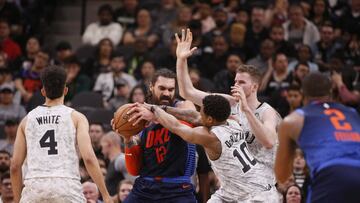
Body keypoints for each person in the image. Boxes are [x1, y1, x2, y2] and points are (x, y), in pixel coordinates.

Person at [175, 29, 281, 201]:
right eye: (235, 81)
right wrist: (181, 59)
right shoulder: (229, 103)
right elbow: (187, 92)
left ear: (255, 87)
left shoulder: (267, 112)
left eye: (242, 82)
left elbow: (269, 141)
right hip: (230, 187)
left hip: (259, 188)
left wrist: (246, 110)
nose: (235, 85)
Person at [127, 94, 279, 202]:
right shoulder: (231, 121)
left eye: (202, 110)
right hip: (234, 189)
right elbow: (193, 116)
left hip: (256, 194)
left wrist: (154, 110)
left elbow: (176, 126)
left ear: (210, 119)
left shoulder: (211, 138)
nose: (199, 112)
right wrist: (161, 109)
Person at [10, 65, 112, 203]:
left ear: (43, 91)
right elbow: (88, 157)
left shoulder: (26, 120)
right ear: (65, 90)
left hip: (34, 189)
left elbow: (15, 166)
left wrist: (17, 200)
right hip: (66, 188)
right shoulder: (77, 117)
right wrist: (105, 194)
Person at [113, 68, 197, 203]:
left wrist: (155, 114)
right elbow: (134, 170)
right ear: (151, 87)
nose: (166, 93)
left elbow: (185, 127)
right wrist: (127, 137)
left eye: (171, 89)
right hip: (146, 186)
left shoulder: (183, 106)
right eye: (162, 88)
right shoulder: (140, 117)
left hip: (177, 188)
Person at [275, 72, 360, 203]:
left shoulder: (294, 119)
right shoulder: (353, 113)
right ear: (331, 91)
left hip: (330, 174)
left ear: (302, 93)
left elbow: (282, 175)